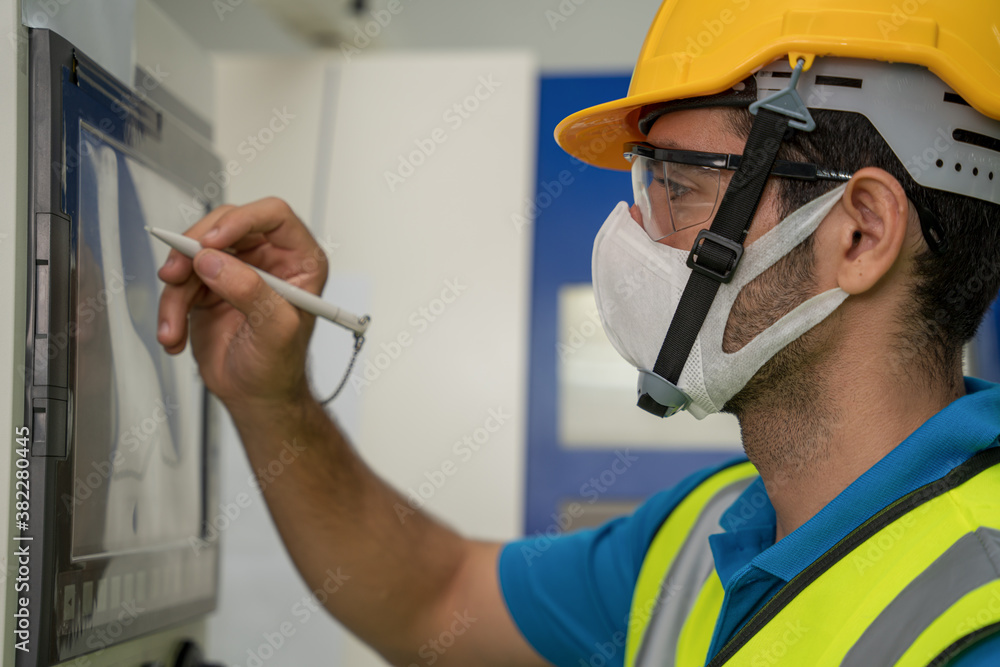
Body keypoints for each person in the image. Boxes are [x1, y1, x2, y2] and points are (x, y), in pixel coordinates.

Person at [155, 0, 1000, 664]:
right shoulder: (702, 534)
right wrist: (272, 396)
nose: (635, 233)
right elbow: (434, 599)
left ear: (858, 231)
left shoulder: (979, 613)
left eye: (680, 186)